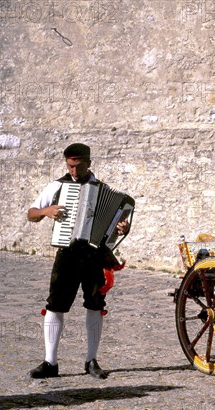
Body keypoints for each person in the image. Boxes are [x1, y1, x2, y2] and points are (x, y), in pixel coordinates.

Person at [27, 143, 130, 379]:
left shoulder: (102, 189)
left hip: (94, 255)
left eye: (78, 166)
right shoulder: (57, 186)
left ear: (88, 163)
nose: (73, 171)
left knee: (95, 305)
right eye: (70, 166)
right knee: (55, 305)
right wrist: (46, 212)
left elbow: (118, 227)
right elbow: (31, 213)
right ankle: (50, 362)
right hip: (67, 253)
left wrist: (122, 227)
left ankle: (91, 361)